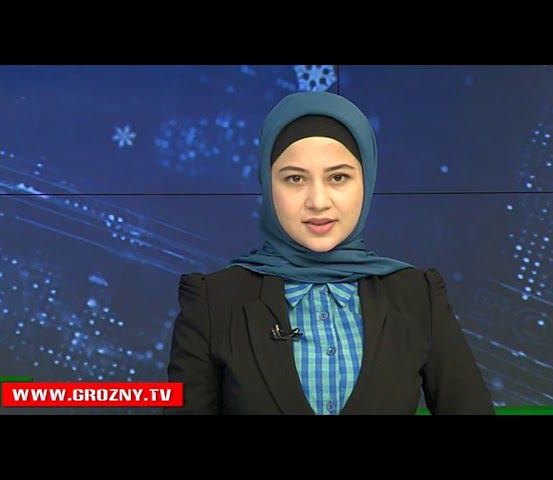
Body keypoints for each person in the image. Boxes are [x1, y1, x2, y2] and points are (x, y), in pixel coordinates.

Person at [164, 91, 494, 415]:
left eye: (338, 177)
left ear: (366, 180)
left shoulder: (417, 296)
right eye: (295, 178)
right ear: (267, 182)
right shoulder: (212, 301)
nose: (318, 202)